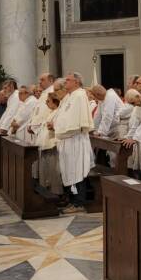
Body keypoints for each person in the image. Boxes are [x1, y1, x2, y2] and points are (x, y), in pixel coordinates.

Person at [51, 72, 94, 212]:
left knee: (76, 171)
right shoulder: (69, 96)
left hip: (75, 139)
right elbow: (62, 116)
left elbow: (75, 122)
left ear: (76, 82)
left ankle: (78, 203)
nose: (65, 83)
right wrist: (54, 124)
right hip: (66, 139)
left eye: (68, 80)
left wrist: (57, 126)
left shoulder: (80, 95)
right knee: (68, 171)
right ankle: (71, 200)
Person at [35, 89, 64, 197]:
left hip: (52, 143)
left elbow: (57, 126)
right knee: (45, 169)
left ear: (55, 101)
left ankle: (56, 193)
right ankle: (46, 191)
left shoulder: (58, 112)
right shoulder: (51, 112)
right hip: (45, 143)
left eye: (48, 101)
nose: (46, 103)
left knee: (53, 170)